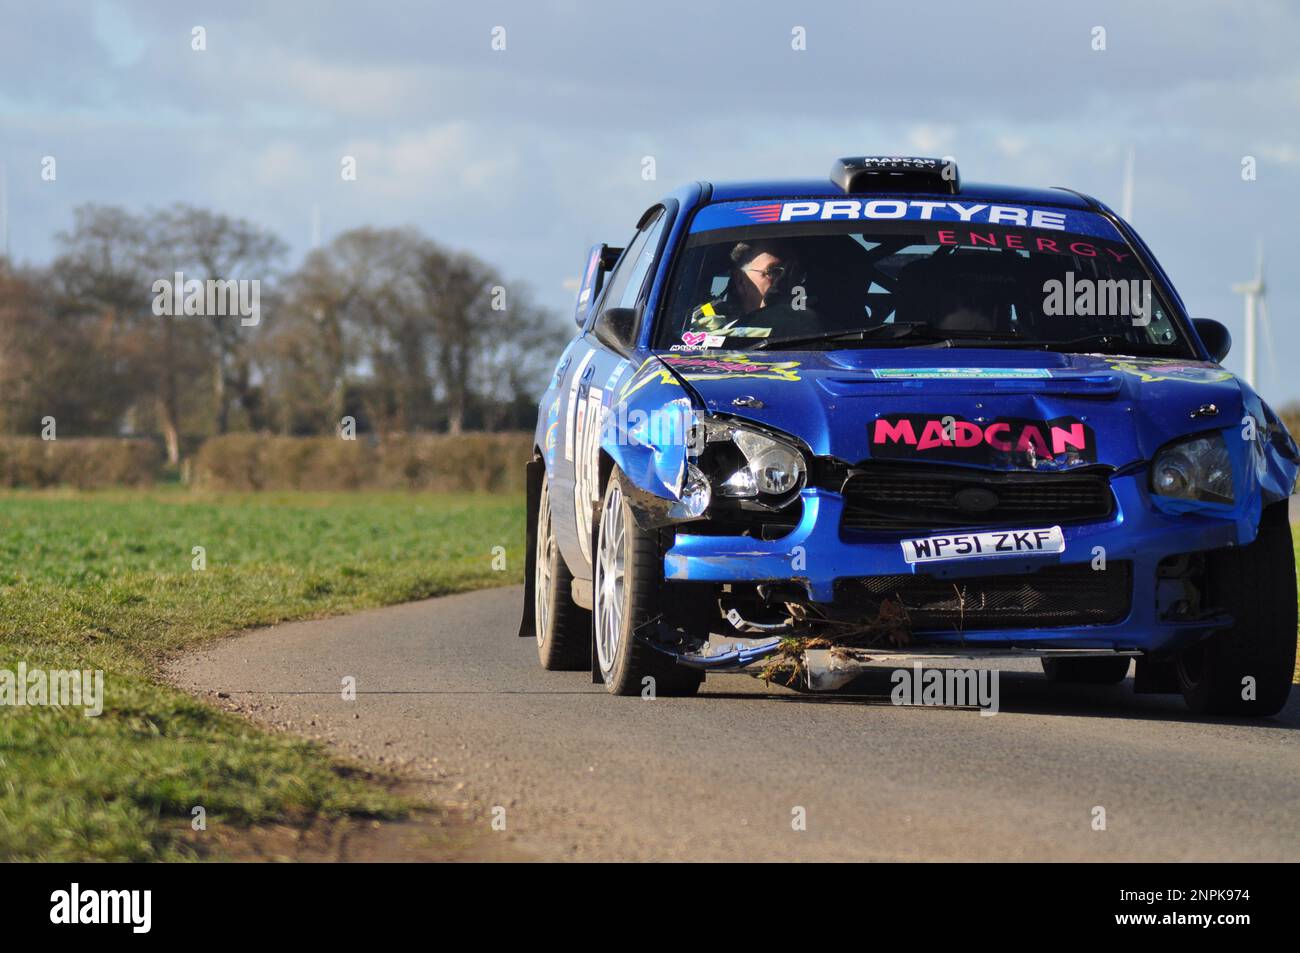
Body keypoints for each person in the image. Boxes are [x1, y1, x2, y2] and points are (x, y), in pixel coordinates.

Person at [689, 240, 811, 340]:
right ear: (741, 281)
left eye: (793, 273)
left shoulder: (816, 330)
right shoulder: (708, 327)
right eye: (774, 272)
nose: (785, 281)